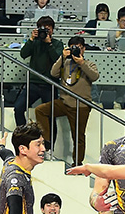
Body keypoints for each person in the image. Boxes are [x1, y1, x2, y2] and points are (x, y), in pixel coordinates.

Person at [34, 36, 98, 166]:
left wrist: (81, 63)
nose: (76, 50)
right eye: (73, 48)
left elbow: (94, 76)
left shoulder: (89, 64)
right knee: (41, 110)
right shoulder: (66, 63)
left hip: (81, 105)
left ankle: (77, 163)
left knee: (78, 136)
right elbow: (53, 73)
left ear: (83, 49)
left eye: (79, 48)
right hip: (63, 102)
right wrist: (62, 57)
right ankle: (47, 143)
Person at [14, 16, 63, 127]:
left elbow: (57, 60)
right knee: (18, 108)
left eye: (48, 28)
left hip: (50, 84)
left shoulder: (57, 44)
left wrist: (49, 44)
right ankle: (23, 133)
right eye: (43, 29)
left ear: (53, 30)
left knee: (50, 116)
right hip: (33, 83)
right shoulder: (35, 42)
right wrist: (31, 39)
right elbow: (23, 54)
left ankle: (50, 139)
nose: (46, 31)